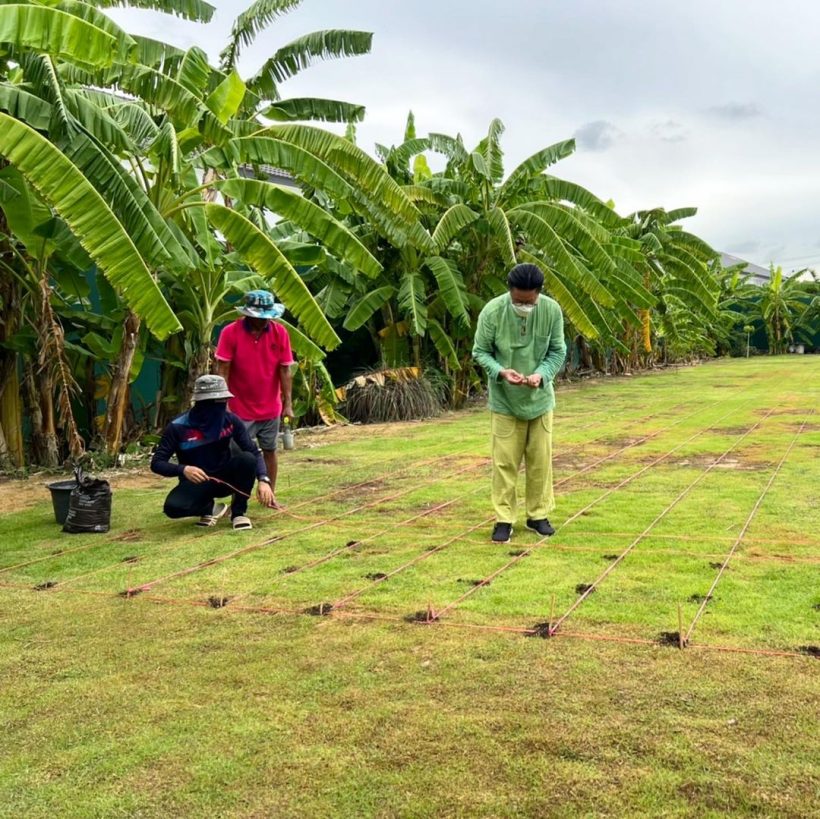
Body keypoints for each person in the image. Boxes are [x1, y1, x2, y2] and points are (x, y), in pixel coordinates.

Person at [472, 263, 567, 544]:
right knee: (504, 463)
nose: (523, 305)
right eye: (518, 301)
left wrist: (542, 374)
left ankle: (538, 515)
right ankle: (504, 519)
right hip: (504, 401)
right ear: (510, 291)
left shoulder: (552, 311)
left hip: (540, 400)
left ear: (538, 294)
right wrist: (501, 371)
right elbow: (480, 351)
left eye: (529, 301)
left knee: (540, 462)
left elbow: (558, 350)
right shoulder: (492, 311)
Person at [151, 375, 275, 530]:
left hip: (226, 479)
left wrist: (263, 479)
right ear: (200, 403)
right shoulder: (178, 427)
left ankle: (238, 513)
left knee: (247, 459)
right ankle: (210, 509)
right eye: (215, 403)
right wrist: (183, 469)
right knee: (173, 508)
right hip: (197, 482)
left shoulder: (230, 421)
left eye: (224, 401)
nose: (221, 406)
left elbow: (254, 452)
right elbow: (157, 463)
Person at [214, 290, 295, 508]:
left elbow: (285, 370)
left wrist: (287, 404)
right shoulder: (230, 333)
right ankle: (238, 498)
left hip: (270, 406)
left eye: (267, 316)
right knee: (239, 454)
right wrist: (224, 404)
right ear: (248, 314)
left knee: (270, 450)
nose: (264, 321)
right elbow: (223, 369)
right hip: (239, 408)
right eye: (259, 317)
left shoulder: (280, 333)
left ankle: (270, 496)